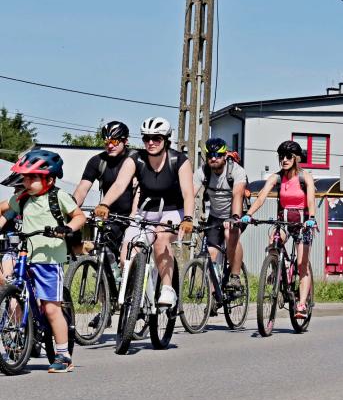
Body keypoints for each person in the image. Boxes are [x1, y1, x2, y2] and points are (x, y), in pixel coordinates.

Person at [94, 117, 195, 308]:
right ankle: (136, 295)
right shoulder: (136, 159)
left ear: (166, 140)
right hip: (145, 212)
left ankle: (167, 289)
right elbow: (119, 184)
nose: (151, 142)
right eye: (146, 138)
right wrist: (104, 204)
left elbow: (188, 193)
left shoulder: (178, 160)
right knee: (126, 254)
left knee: (161, 238)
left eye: (156, 138)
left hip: (173, 211)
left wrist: (188, 218)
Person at [4, 150, 86, 372]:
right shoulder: (22, 198)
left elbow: (79, 216)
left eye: (31, 178)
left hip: (49, 260)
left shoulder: (58, 197)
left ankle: (63, 355)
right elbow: (4, 209)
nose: (25, 182)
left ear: (49, 179)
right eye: (24, 178)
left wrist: (67, 228)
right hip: (25, 256)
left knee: (51, 309)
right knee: (13, 296)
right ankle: (20, 337)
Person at [242, 140, 316, 319]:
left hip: (303, 223)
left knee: (302, 264)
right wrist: (248, 214)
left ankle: (301, 305)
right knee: (273, 241)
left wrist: (312, 218)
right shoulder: (276, 177)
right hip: (284, 221)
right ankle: (276, 270)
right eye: (281, 156)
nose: (284, 160)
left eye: (288, 156)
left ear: (296, 158)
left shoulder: (305, 177)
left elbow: (311, 199)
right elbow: (261, 197)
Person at [73, 120, 136, 264]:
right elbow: (82, 188)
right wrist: (72, 209)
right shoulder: (97, 161)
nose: (110, 145)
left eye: (114, 141)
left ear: (125, 141)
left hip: (135, 215)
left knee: (129, 259)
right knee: (105, 253)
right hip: (110, 215)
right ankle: (107, 276)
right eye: (107, 141)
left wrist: (134, 215)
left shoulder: (136, 159)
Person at [194, 137, 248, 293]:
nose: (213, 158)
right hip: (215, 215)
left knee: (230, 234)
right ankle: (214, 293)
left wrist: (235, 218)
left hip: (236, 213)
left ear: (225, 155)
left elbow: (237, 195)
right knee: (211, 252)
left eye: (218, 155)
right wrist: (186, 217)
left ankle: (235, 276)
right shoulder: (203, 171)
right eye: (210, 155)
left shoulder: (236, 171)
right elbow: (190, 194)